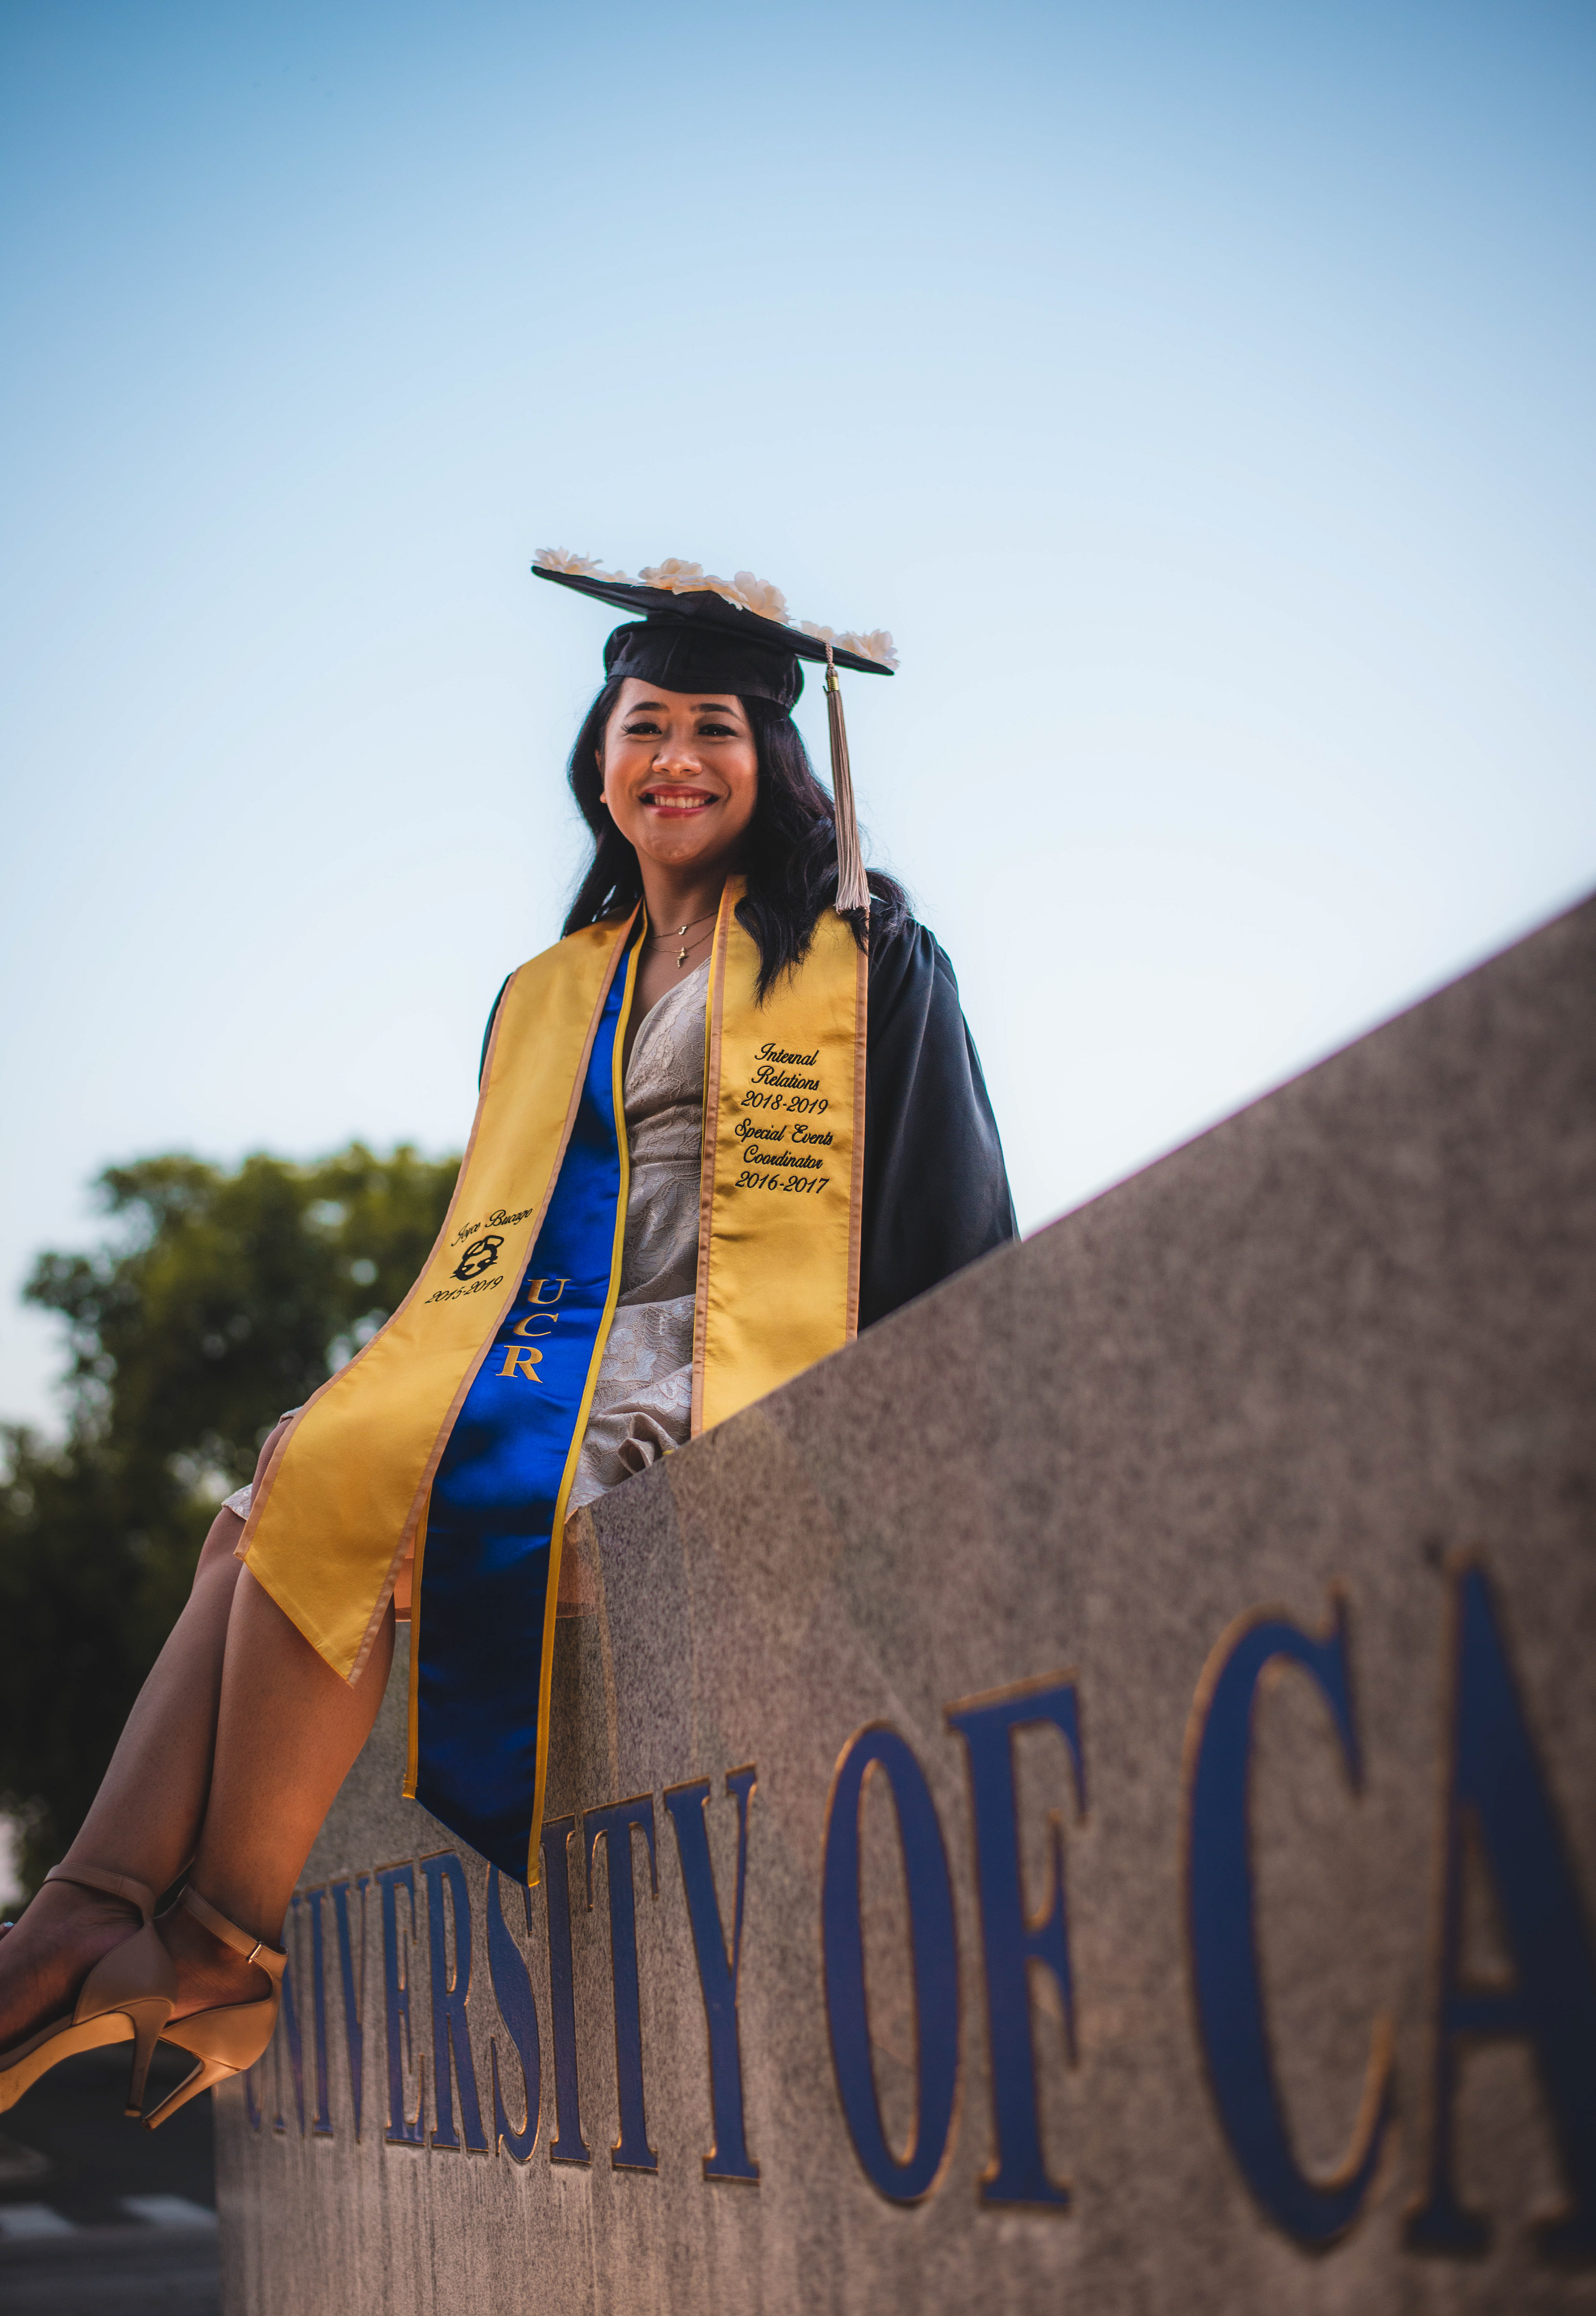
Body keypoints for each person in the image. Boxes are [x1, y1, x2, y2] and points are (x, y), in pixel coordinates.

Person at [0, 554, 1015, 2130]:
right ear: (599, 760)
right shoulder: (552, 993)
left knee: (355, 1481)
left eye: (717, 730)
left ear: (775, 761)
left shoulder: (862, 954)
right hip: (544, 1362)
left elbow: (949, 1218)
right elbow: (487, 1248)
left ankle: (205, 1939)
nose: (676, 759)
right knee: (283, 1483)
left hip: (713, 1372)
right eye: (645, 724)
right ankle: (99, 1910)